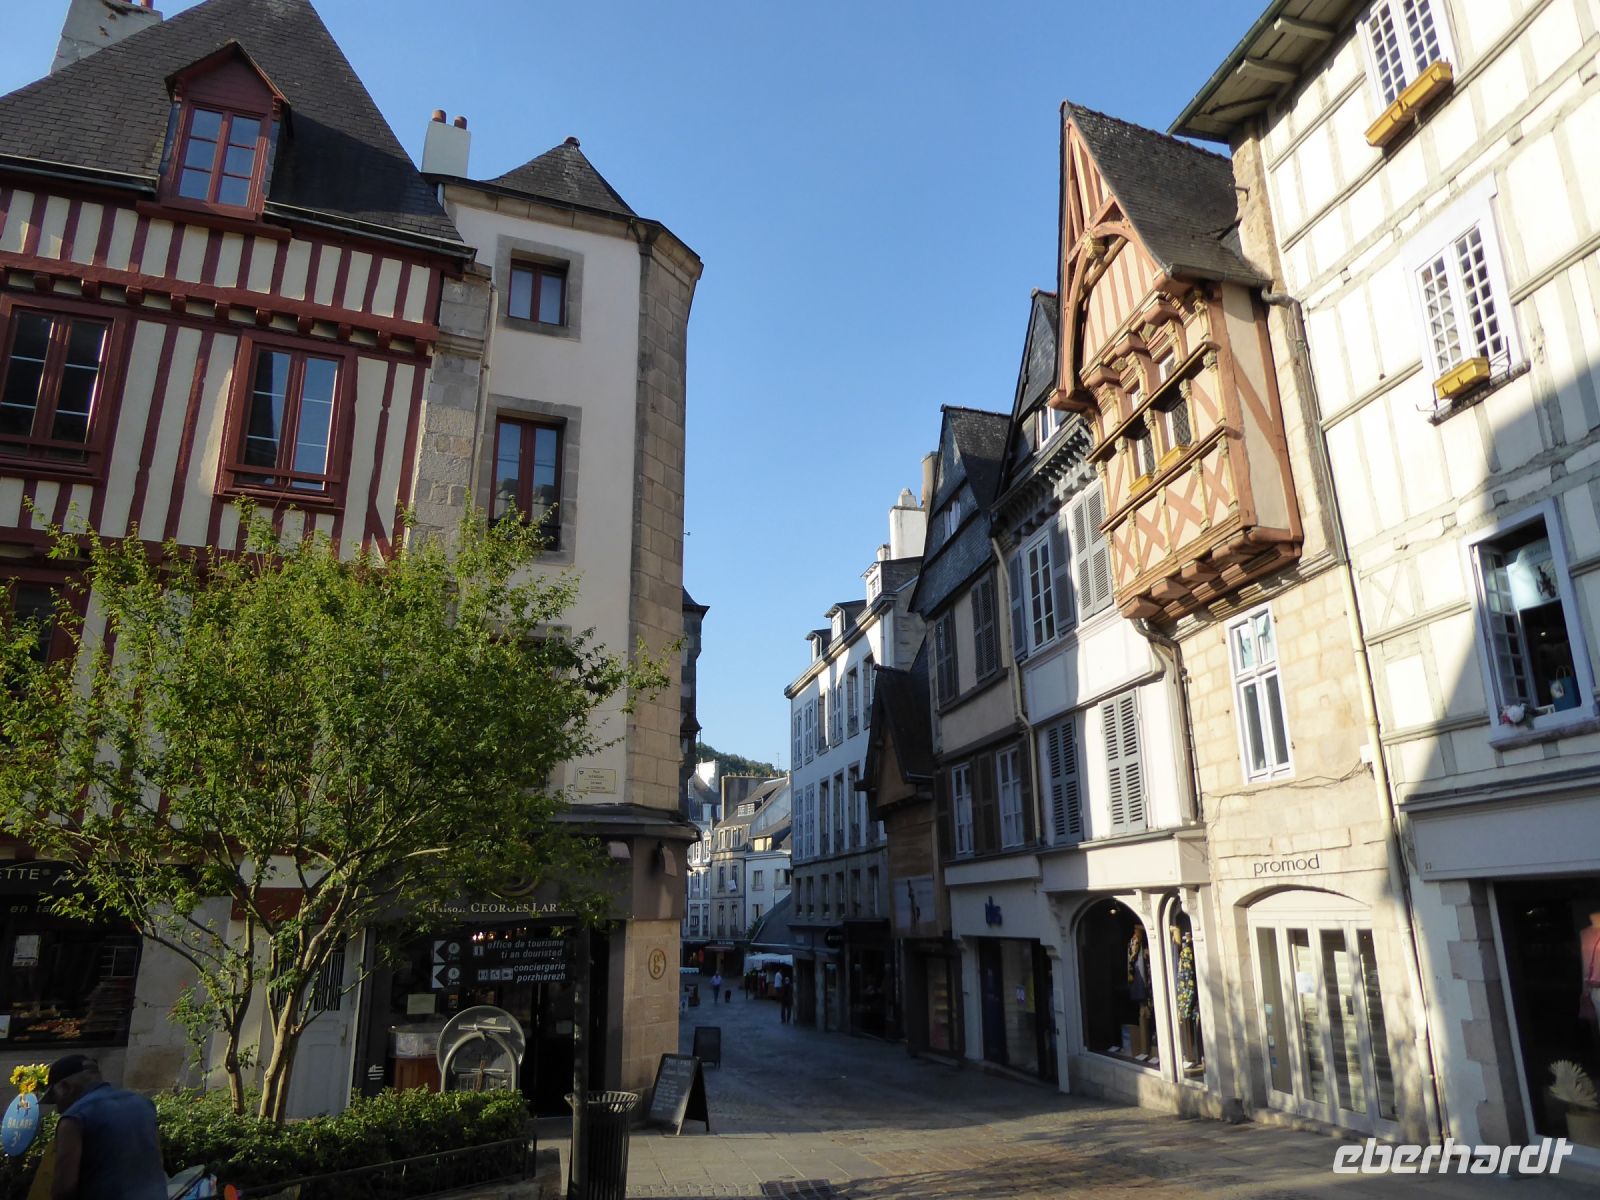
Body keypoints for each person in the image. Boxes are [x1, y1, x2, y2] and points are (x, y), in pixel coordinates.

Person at [41, 1054, 167, 1200]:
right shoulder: (143, 1104)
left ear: (64, 1088)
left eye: (55, 1099)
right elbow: (157, 1159)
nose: (58, 1109)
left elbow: (64, 1188)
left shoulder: (74, 1118)